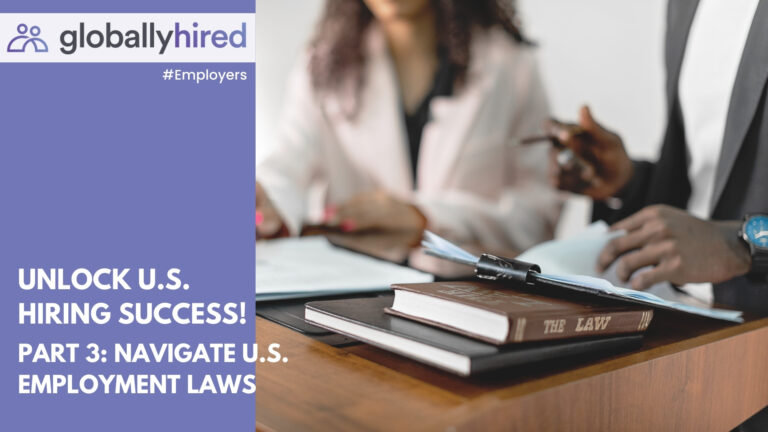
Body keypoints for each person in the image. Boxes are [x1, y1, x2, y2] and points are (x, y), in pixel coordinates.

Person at [551, 2, 768, 426]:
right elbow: (704, 191)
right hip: (688, 352)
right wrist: (629, 183)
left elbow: (720, 232)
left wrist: (745, 243)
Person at [256, 0, 562, 250]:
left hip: (473, 296)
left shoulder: (511, 65)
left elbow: (539, 214)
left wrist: (428, 219)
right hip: (352, 292)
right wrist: (270, 201)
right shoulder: (323, 65)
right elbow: (289, 160)